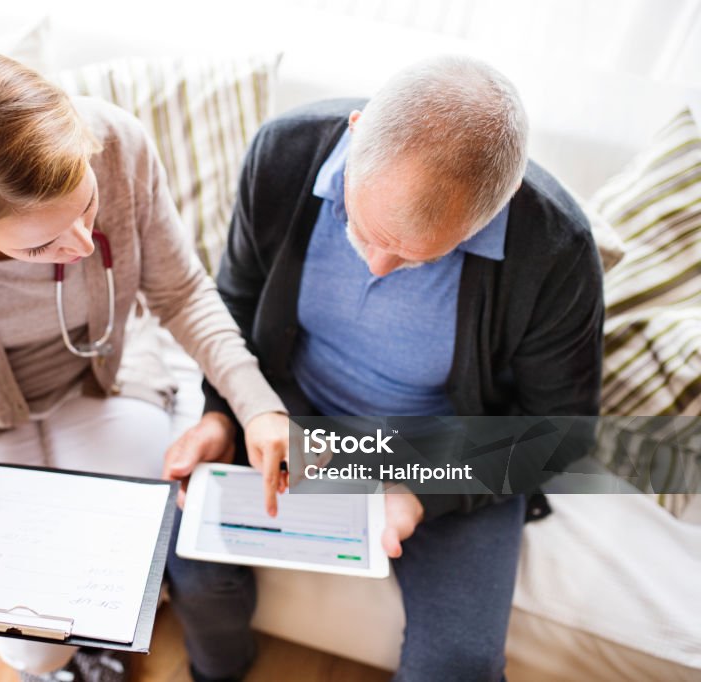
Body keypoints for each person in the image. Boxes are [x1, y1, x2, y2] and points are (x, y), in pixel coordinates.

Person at [0, 52, 289, 682]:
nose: (78, 246)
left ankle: (107, 641)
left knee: (132, 557)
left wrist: (257, 402)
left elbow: (181, 292)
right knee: (31, 639)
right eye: (41, 245)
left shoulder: (119, 145)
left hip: (103, 380)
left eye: (87, 207)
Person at [165, 55, 605, 681]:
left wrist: (425, 491)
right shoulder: (282, 152)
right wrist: (221, 411)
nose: (375, 265)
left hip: (449, 447)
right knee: (193, 567)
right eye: (363, 227)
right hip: (292, 412)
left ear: (495, 209)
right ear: (355, 130)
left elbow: (560, 432)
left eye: (415, 257)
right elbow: (234, 301)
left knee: (458, 662)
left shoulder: (555, 247)